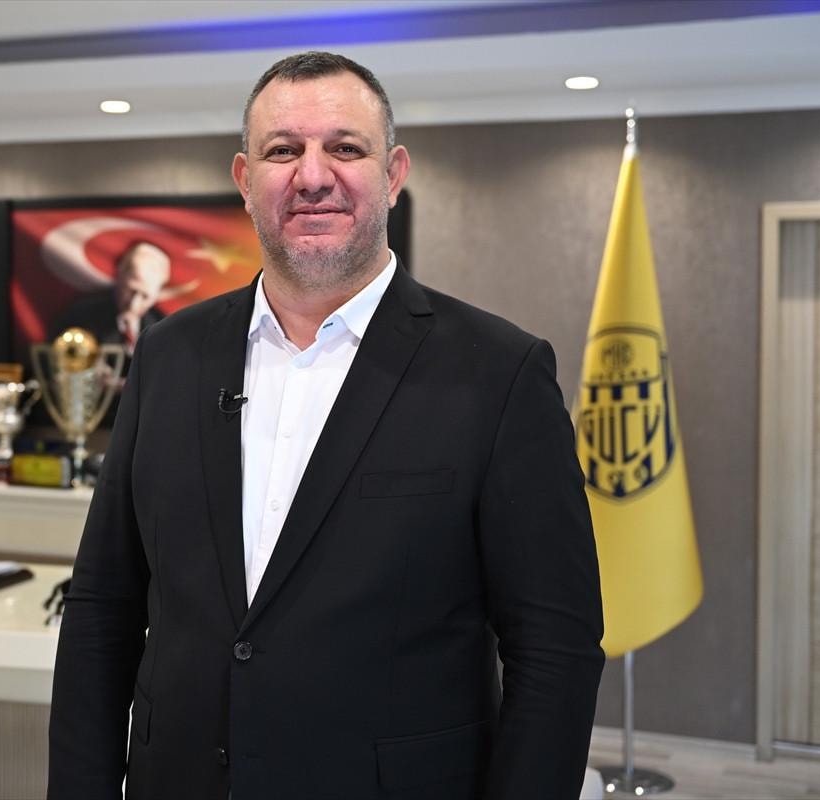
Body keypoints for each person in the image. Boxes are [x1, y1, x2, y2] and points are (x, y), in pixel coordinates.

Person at [48, 51, 604, 800]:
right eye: (283, 151)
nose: (313, 176)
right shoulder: (168, 354)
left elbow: (555, 649)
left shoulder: (500, 373)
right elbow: (102, 607)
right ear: (246, 181)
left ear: (393, 174)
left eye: (345, 147)